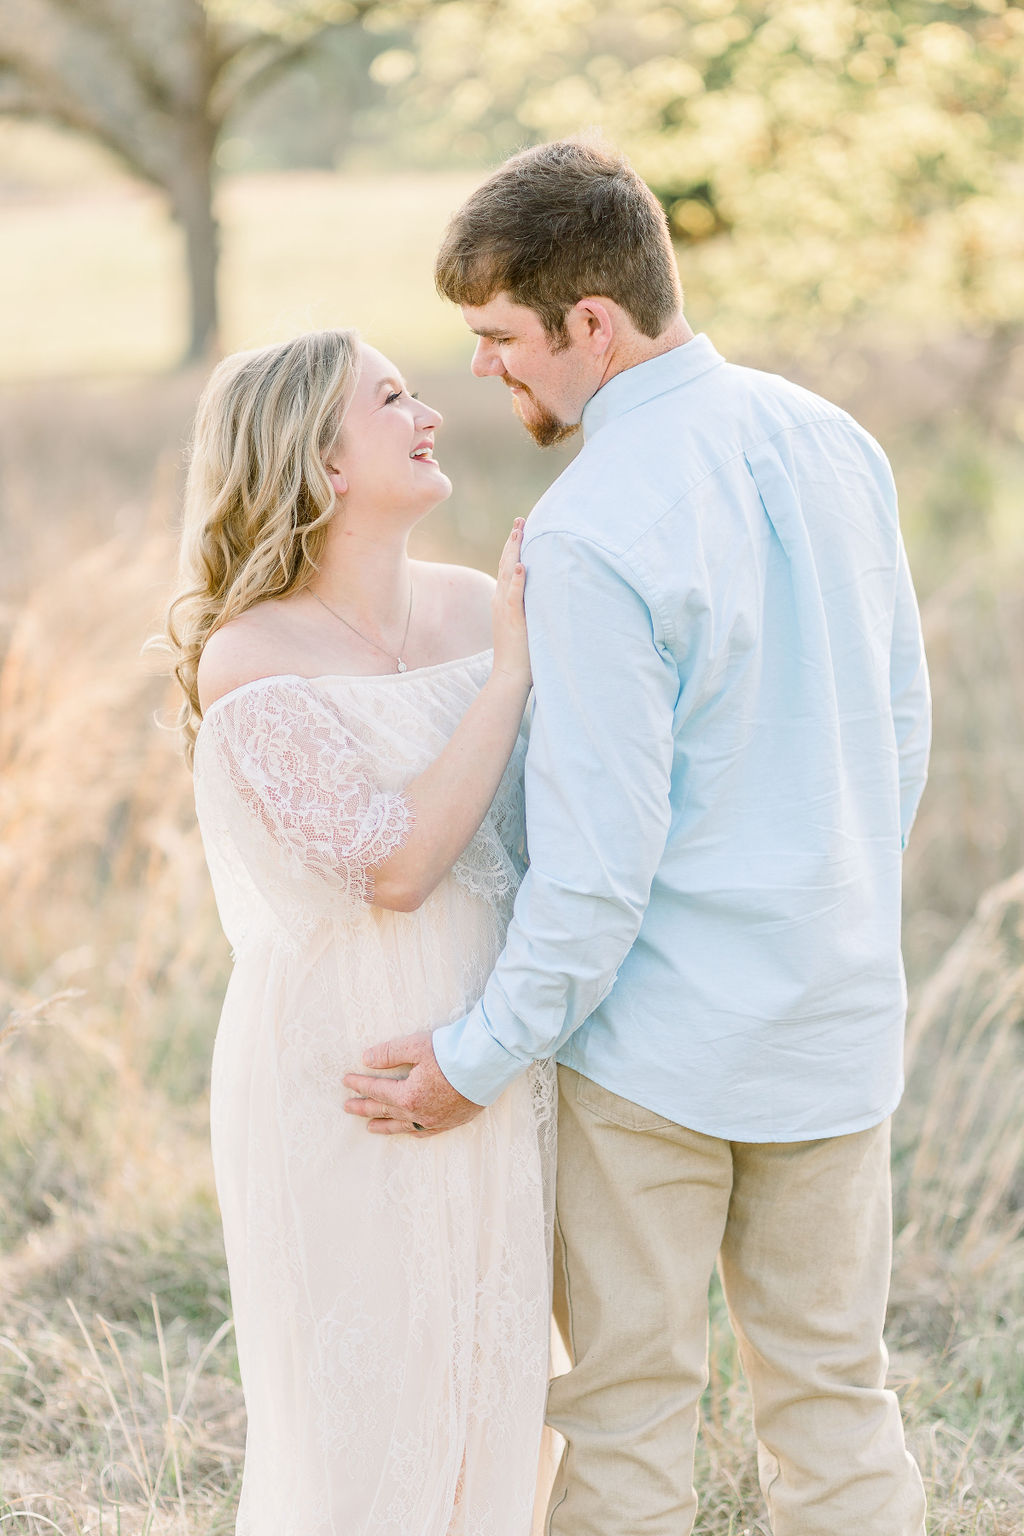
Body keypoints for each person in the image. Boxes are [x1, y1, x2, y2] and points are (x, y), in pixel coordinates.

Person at [343, 140, 932, 1536]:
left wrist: (471, 1063)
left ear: (589, 324)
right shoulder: (836, 440)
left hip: (656, 1060)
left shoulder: (593, 530)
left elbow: (597, 868)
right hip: (837, 1026)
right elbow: (896, 739)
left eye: (499, 337)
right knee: (840, 1413)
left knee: (624, 1429)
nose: (485, 370)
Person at [166, 328, 556, 1536]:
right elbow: (393, 868)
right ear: (320, 460)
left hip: (492, 1038)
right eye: (391, 399)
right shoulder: (252, 658)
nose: (429, 410)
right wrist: (506, 677)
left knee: (498, 1380)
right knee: (372, 1393)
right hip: (339, 1065)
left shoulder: (466, 604)